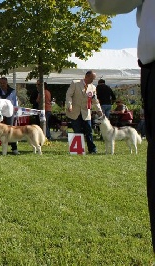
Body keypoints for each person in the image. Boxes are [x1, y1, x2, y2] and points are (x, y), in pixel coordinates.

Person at [88, 0, 155, 251]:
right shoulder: (102, 91)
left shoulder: (98, 90)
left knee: (115, 137)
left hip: (151, 63)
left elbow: (104, 3)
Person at [65, 70, 102, 154]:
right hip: (75, 112)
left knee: (89, 131)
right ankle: (78, 150)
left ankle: (92, 149)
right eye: (92, 78)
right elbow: (68, 95)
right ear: (86, 76)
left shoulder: (93, 87)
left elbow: (95, 101)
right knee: (77, 131)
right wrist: (69, 105)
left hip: (86, 113)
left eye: (94, 79)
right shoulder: (75, 83)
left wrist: (99, 111)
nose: (92, 80)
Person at [0, 77, 19, 155]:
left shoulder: (12, 91)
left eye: (4, 83)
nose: (2, 84)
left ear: (7, 83)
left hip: (10, 111)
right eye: (1, 83)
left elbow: (15, 103)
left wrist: (15, 113)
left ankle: (14, 149)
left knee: (11, 130)